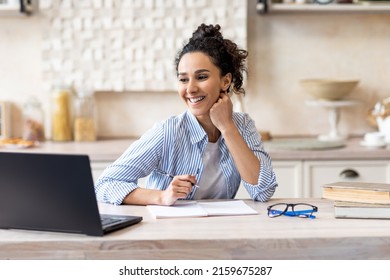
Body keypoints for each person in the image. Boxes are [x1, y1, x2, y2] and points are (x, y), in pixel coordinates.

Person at [95, 23, 278, 206]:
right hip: (171, 231)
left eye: (201, 77)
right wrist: (161, 196)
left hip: (221, 230)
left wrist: (227, 127)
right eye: (183, 79)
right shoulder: (168, 132)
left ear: (225, 81)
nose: (190, 89)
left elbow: (263, 191)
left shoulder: (243, 126)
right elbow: (105, 184)